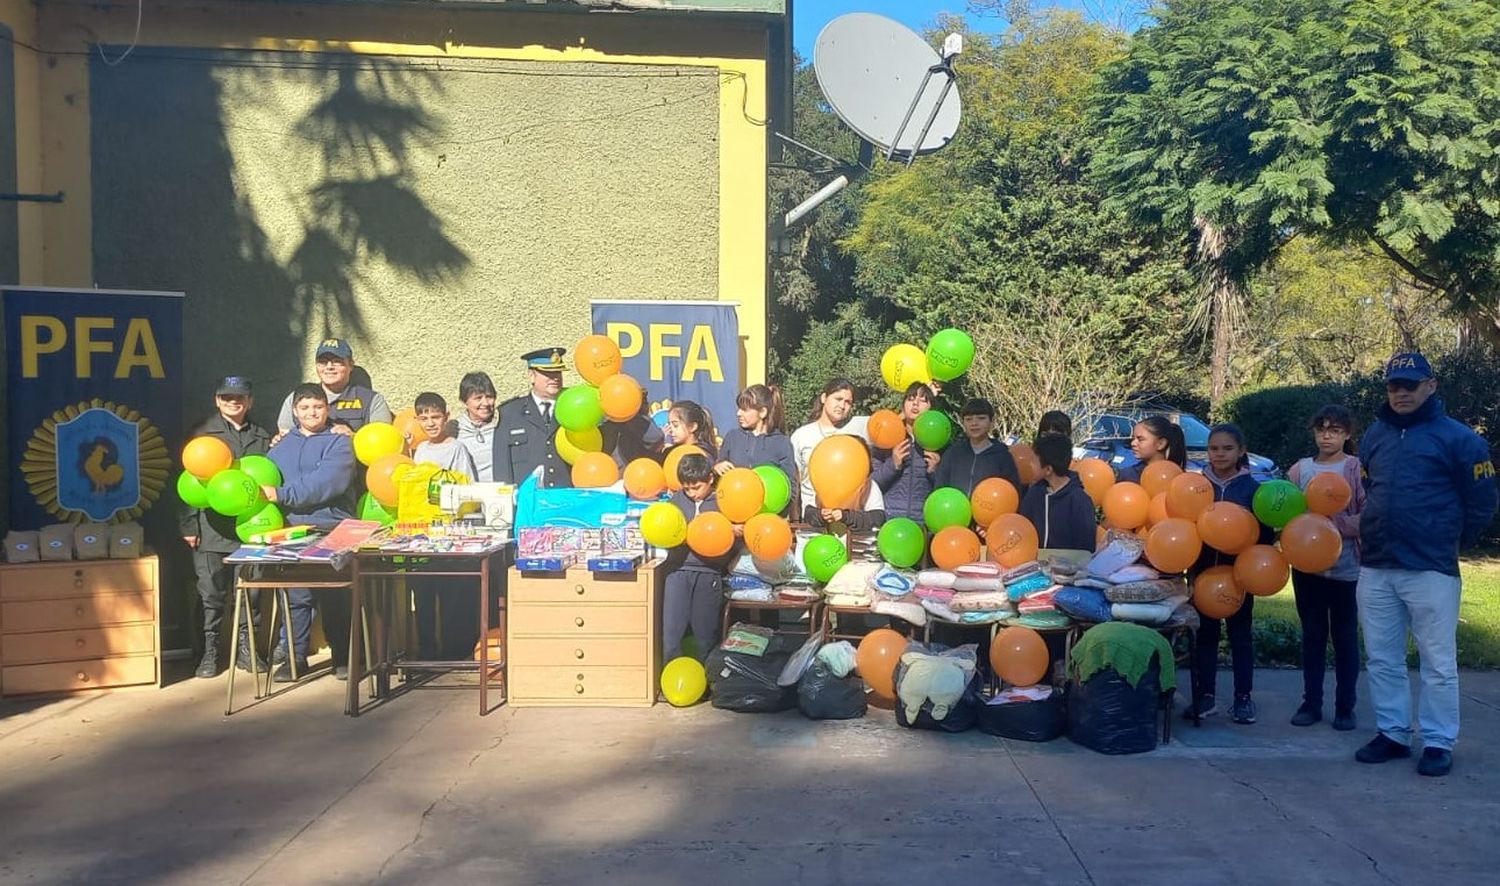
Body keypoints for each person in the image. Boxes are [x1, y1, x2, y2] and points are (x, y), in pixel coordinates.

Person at [1354, 352, 1496, 777]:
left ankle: (1437, 741)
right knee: (1382, 657)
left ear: (1431, 386)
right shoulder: (1374, 436)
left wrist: (1451, 541)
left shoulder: (1461, 439)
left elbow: (1483, 500)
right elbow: (1368, 485)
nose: (1401, 392)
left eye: (1410, 385)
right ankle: (1394, 733)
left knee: (1437, 660)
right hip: (1377, 564)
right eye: (1394, 385)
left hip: (1430, 567)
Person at [180, 376, 272, 678]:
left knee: (252, 595)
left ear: (250, 402)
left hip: (251, 528)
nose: (234, 402)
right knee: (211, 594)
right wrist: (188, 523)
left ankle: (247, 651)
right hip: (212, 530)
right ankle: (209, 653)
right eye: (227, 397)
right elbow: (189, 482)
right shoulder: (203, 435)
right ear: (217, 401)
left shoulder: (262, 436)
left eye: (241, 397)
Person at [264, 383, 358, 681]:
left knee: (337, 596)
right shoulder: (279, 447)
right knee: (296, 597)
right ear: (294, 411)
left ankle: (343, 656)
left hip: (332, 528)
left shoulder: (339, 442)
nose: (311, 412)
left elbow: (328, 481)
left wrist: (281, 494)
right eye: (304, 407)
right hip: (291, 530)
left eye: (317, 406)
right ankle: (294, 657)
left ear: (326, 408)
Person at [1285, 405, 1366, 731]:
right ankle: (1311, 703)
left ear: (1347, 434)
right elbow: (1285, 509)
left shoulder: (1356, 468)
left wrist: (1335, 526)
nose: (1327, 435)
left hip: (1346, 568)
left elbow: (1368, 514)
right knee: (1313, 636)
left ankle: (1345, 707)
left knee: (1345, 637)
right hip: (1307, 570)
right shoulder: (1300, 470)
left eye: (1334, 430)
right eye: (1321, 429)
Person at [1186, 423, 1271, 724]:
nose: (1219, 454)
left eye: (1227, 448)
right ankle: (1205, 696)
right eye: (1214, 448)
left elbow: (1265, 537)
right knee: (1205, 637)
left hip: (1240, 577)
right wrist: (1192, 573)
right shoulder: (1195, 486)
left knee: (1240, 637)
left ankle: (1243, 699)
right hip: (1204, 574)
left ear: (1241, 451)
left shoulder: (1253, 490)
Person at [410, 391, 480, 660]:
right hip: (423, 535)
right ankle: (427, 648)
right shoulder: (420, 450)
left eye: (435, 417)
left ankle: (455, 650)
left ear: (446, 417)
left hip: (450, 532)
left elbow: (467, 488)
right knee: (424, 593)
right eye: (424, 418)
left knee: (450, 593)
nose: (430, 423)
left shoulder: (456, 448)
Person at [661, 454, 736, 662]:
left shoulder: (722, 502)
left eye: (697, 487)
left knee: (705, 632)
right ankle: (670, 675)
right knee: (672, 632)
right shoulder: (676, 501)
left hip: (709, 572)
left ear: (710, 479)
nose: (692, 493)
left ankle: (706, 682)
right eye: (687, 488)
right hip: (677, 571)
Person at [274, 338, 392, 436]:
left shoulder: (372, 401)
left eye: (337, 361)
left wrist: (352, 437)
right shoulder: (297, 398)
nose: (329, 367)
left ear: (350, 365)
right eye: (323, 362)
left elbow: (382, 442)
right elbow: (286, 438)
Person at [790, 379, 870, 514]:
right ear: (824, 398)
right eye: (838, 399)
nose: (842, 405)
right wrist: (796, 519)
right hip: (813, 520)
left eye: (848, 402)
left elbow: (890, 422)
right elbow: (795, 481)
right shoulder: (802, 435)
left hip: (850, 521)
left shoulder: (860, 426)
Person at [494, 347, 570, 488]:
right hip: (527, 502)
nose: (555, 378)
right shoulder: (509, 413)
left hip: (564, 499)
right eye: (547, 373)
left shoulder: (572, 409)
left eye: (558, 372)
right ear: (531, 376)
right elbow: (501, 466)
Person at [871, 382, 940, 524]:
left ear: (931, 408)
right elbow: (872, 485)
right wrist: (893, 464)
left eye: (922, 400)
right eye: (911, 399)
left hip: (922, 523)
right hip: (889, 520)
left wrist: (934, 471)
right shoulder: (885, 439)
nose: (915, 404)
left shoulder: (939, 444)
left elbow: (945, 491)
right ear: (903, 406)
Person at [1019, 434, 1096, 552]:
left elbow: (1084, 549)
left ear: (1048, 470)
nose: (1029, 465)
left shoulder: (1079, 501)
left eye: (1033, 461)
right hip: (1033, 565)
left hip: (1067, 568)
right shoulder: (1034, 493)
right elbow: (1021, 528)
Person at [932, 398, 1022, 497]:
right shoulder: (954, 453)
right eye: (968, 419)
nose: (974, 423)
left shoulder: (1003, 455)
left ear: (991, 422)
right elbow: (940, 488)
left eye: (981, 418)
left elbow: (1012, 492)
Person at [714, 383, 797, 483]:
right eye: (739, 408)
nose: (738, 413)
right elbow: (716, 480)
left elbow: (790, 484)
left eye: (745, 410)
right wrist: (717, 468)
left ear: (762, 412)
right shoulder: (732, 437)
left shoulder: (781, 443)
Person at [453, 371, 498, 482]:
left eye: (489, 397)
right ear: (464, 402)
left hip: (500, 493)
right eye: (478, 398)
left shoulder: (503, 426)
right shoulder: (454, 430)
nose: (486, 403)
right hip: (467, 495)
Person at [1117, 414, 1187, 483]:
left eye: (1140, 439)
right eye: (1133, 438)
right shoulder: (1128, 476)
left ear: (1160, 444)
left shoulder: (1178, 478)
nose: (1133, 443)